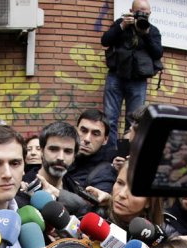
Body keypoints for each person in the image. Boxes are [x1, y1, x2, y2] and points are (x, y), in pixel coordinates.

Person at [100, 0, 162, 144]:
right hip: (116, 76)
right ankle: (110, 154)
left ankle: (125, 155)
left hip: (138, 81)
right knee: (109, 119)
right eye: (139, 12)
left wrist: (145, 34)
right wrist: (122, 26)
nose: (142, 15)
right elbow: (105, 41)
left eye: (145, 13)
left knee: (134, 122)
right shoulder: (121, 24)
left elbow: (158, 53)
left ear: (150, 14)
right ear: (131, 11)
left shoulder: (152, 30)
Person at [65, 109, 119, 204]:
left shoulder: (104, 172)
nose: (87, 139)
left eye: (95, 134)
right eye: (83, 130)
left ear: (105, 140)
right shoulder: (64, 157)